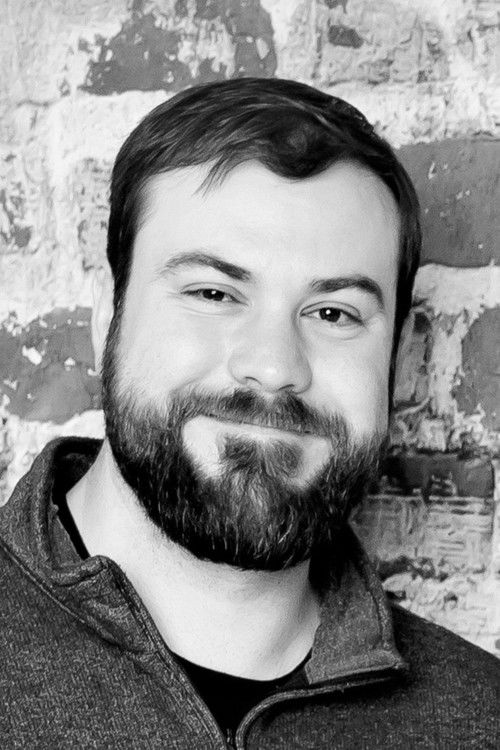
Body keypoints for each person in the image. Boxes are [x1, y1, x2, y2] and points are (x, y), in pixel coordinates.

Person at [0, 78, 498, 749]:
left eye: (333, 313)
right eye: (213, 293)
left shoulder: (481, 720)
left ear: (400, 360)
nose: (272, 365)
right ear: (107, 318)